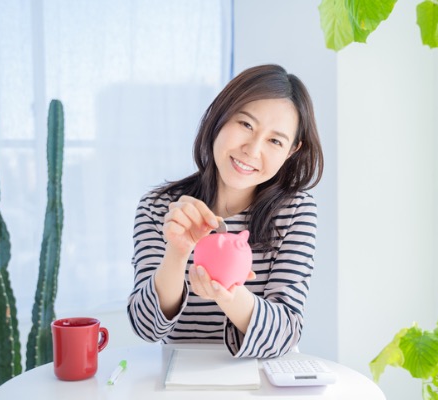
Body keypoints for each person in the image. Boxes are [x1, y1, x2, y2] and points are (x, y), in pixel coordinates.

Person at [127, 64, 324, 358]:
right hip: (179, 380)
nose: (252, 150)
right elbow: (145, 327)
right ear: (220, 117)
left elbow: (285, 334)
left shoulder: (295, 211)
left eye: (274, 140)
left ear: (292, 151)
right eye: (245, 124)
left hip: (261, 380)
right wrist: (178, 252)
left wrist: (227, 294)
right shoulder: (159, 208)